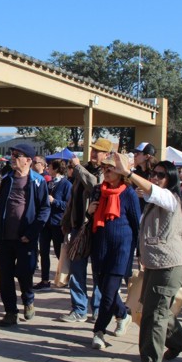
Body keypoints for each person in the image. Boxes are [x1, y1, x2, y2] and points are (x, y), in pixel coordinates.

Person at [111, 155, 182, 362]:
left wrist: (128, 172)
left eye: (161, 175)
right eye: (153, 174)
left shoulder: (170, 197)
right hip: (156, 265)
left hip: (169, 266)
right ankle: (181, 342)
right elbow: (148, 192)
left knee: (152, 315)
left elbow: (155, 192)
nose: (155, 178)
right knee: (157, 310)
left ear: (171, 179)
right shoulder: (154, 200)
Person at [0, 143, 51, 327]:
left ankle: (28, 299)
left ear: (29, 160)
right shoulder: (7, 179)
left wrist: (31, 233)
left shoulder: (38, 181)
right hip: (5, 237)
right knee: (6, 276)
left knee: (25, 273)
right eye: (13, 154)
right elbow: (0, 205)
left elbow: (44, 210)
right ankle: (10, 311)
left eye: (18, 155)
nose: (13, 157)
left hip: (25, 238)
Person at [87, 155, 141, 350]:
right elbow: (89, 219)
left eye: (111, 168)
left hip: (121, 250)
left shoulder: (129, 194)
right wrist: (89, 212)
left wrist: (138, 253)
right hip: (99, 247)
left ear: (121, 171)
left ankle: (98, 331)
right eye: (105, 168)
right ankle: (123, 314)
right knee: (104, 289)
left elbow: (137, 225)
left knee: (109, 294)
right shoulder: (97, 191)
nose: (107, 171)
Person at [59, 138, 113, 323]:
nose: (93, 153)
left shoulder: (107, 171)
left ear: (106, 154)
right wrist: (66, 222)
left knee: (98, 271)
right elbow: (72, 199)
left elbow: (95, 186)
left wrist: (79, 169)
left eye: (98, 151)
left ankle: (97, 309)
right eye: (93, 150)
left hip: (98, 228)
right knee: (77, 269)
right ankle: (79, 308)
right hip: (78, 228)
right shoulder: (83, 168)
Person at [34, 159, 72, 291]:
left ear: (55, 169)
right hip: (45, 223)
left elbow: (68, 205)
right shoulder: (48, 183)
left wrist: (54, 201)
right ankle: (45, 280)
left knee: (58, 252)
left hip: (58, 223)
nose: (47, 169)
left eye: (49, 167)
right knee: (43, 252)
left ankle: (66, 277)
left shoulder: (66, 184)